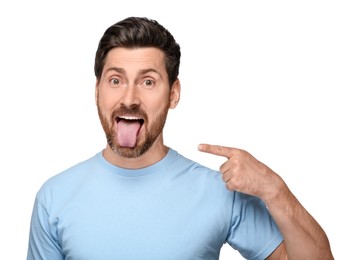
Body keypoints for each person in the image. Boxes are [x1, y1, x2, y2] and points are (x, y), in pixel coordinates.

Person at [27, 16, 334, 260]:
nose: (129, 98)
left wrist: (274, 189)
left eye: (148, 81)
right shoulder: (55, 197)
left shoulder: (220, 191)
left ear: (173, 94)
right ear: (97, 91)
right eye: (116, 80)